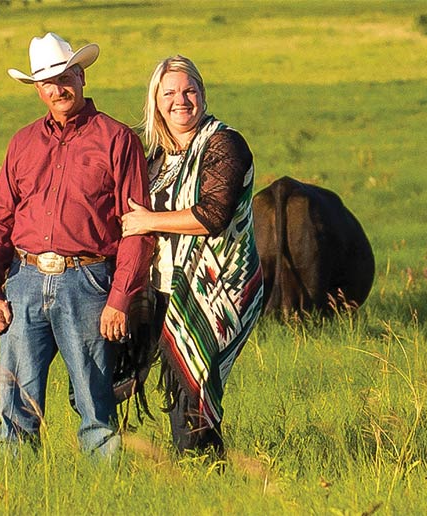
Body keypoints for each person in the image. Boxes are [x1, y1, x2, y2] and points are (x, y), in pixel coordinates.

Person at [0, 32, 155, 457]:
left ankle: (106, 495)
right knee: (14, 403)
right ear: (37, 90)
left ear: (81, 75)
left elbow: (137, 227)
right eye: (47, 82)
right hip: (23, 278)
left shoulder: (117, 140)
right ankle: (10, 492)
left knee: (96, 403)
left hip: (89, 280)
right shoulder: (22, 142)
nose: (58, 89)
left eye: (65, 76)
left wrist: (119, 298)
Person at [121, 55, 264, 456]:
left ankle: (204, 470)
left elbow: (213, 215)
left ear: (202, 94)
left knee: (193, 387)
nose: (180, 100)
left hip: (216, 288)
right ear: (156, 100)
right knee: (169, 384)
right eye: (169, 93)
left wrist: (150, 220)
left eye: (189, 91)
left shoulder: (224, 143)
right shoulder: (157, 158)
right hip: (164, 285)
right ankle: (194, 469)